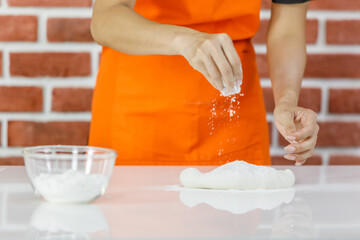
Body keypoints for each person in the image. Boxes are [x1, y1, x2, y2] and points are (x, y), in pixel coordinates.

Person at [89, 0, 319, 166]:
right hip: (135, 114)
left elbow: (287, 29)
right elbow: (106, 17)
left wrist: (287, 100)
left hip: (232, 108)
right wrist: (183, 40)